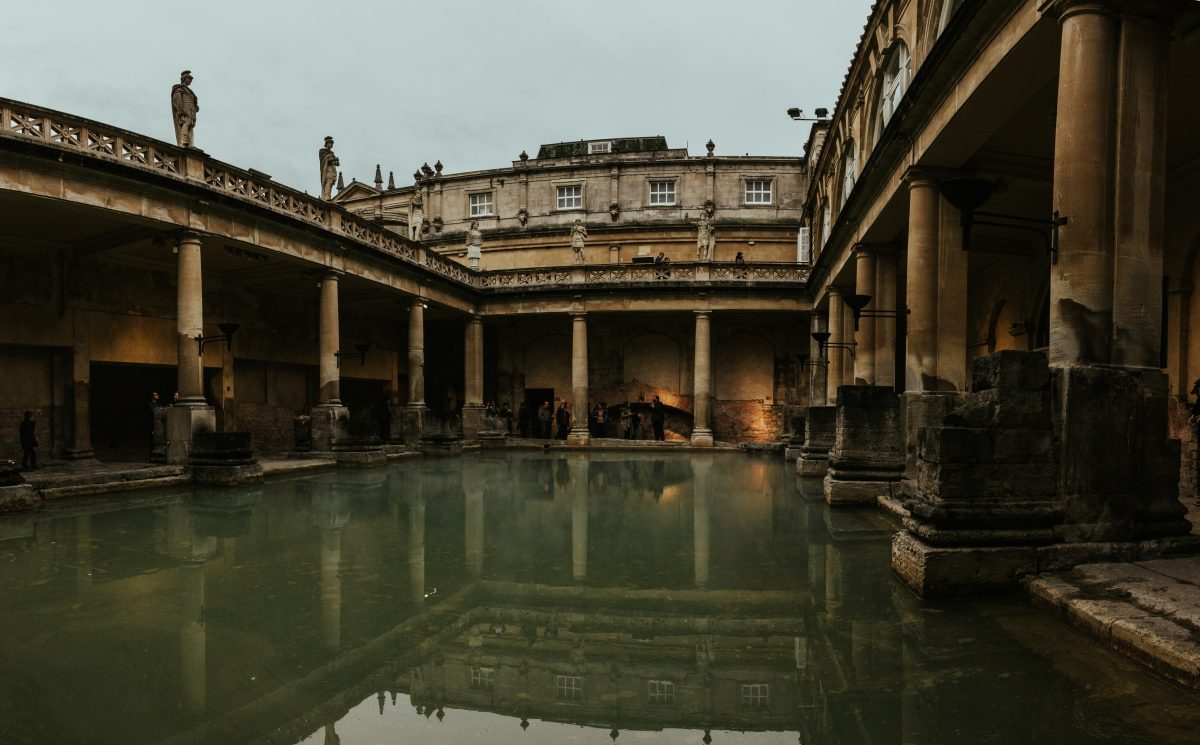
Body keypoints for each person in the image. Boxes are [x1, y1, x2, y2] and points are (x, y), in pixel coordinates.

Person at [170, 70, 198, 147]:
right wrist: (180, 109)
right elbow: (177, 98)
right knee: (186, 123)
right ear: (184, 79)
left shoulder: (189, 91)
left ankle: (190, 143)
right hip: (184, 109)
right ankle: (183, 140)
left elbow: (193, 101)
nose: (190, 81)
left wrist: (195, 107)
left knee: (190, 125)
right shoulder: (179, 88)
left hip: (191, 110)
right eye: (189, 79)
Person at [319, 136, 340, 201]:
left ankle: (329, 196)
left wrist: (337, 161)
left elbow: (336, 164)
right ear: (327, 143)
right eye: (330, 143)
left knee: (331, 183)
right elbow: (324, 159)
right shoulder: (322, 151)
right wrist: (333, 159)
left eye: (332, 144)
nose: (331, 145)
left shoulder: (332, 153)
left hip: (333, 169)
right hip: (327, 170)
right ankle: (326, 196)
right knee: (328, 182)